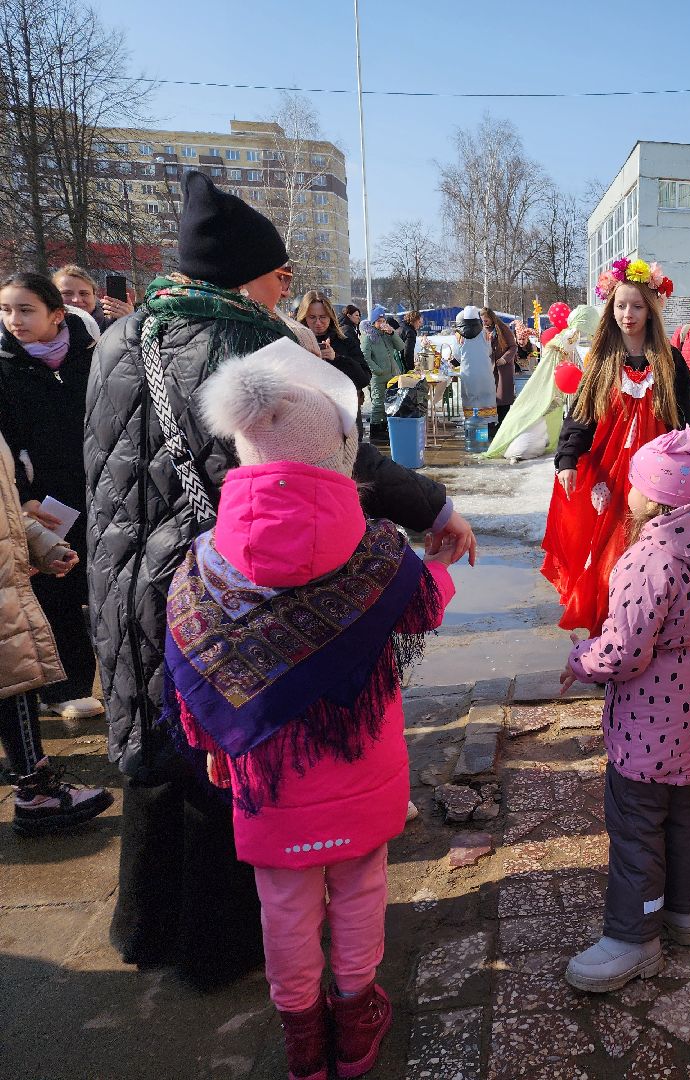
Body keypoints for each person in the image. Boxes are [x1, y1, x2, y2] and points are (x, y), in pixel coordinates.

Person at [85, 169, 477, 991]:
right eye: (278, 271)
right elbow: (338, 458)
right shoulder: (249, 346)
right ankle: (221, 948)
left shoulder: (122, 336)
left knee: (159, 749)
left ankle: (143, 927)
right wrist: (433, 504)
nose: (286, 285)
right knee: (229, 753)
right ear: (244, 276)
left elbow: (103, 465)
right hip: (228, 574)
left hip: (130, 576)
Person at [165, 342, 457, 1080]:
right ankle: (357, 1018)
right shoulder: (378, 549)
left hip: (265, 771)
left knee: (284, 906)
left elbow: (191, 657)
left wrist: (211, 738)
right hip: (362, 761)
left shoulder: (204, 560)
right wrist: (444, 569)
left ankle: (301, 1034)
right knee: (361, 889)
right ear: (336, 449)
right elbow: (422, 607)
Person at [560, 429, 690, 992]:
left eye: (633, 482)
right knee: (684, 813)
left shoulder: (649, 558)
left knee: (637, 823)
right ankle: (683, 914)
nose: (626, 490)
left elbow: (625, 651)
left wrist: (582, 658)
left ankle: (633, 938)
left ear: (652, 496)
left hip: (649, 717)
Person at [541, 256, 690, 636]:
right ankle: (612, 636)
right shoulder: (601, 362)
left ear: (650, 310)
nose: (628, 314)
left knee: (658, 553)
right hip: (609, 480)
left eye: (637, 306)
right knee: (612, 556)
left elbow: (689, 421)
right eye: (621, 305)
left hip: (657, 481)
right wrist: (567, 458)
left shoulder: (669, 361)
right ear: (611, 309)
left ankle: (653, 634)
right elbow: (580, 415)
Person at [0, 272, 103, 720]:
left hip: (99, 492)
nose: (14, 320)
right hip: (41, 505)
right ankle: (67, 688)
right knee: (54, 591)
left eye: (25, 310)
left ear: (56, 315)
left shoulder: (93, 356)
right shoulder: (4, 365)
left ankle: (115, 684)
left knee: (99, 590)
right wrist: (22, 496)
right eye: (6, 310)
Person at [0, 427, 112, 835]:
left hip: (7, 582)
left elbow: (6, 508)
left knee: (17, 681)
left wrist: (44, 545)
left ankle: (35, 787)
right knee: (14, 680)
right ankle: (35, 792)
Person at [484, 305, 602, 463]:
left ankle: (524, 446)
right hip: (552, 375)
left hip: (553, 375)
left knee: (543, 411)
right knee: (540, 410)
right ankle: (520, 448)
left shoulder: (565, 336)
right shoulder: (569, 335)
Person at [297, 290, 369, 396]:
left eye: (323, 317)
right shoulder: (296, 342)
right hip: (305, 407)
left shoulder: (345, 341)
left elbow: (364, 379)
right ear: (304, 317)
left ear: (330, 317)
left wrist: (336, 358)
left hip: (340, 408)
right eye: (312, 317)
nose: (318, 322)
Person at [453, 306, 499, 436]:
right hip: (485, 373)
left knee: (471, 401)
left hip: (468, 374)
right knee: (487, 401)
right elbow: (489, 351)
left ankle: (472, 432)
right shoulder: (485, 333)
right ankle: (489, 431)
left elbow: (457, 355)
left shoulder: (459, 336)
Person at [360, 306, 402, 445]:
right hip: (378, 376)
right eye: (379, 321)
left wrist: (392, 333)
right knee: (378, 403)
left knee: (389, 402)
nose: (382, 323)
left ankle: (383, 428)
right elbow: (365, 357)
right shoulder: (368, 337)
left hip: (391, 375)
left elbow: (401, 346)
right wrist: (377, 370)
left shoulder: (386, 335)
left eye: (384, 320)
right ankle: (375, 431)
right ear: (373, 322)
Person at [54, 264, 135, 333]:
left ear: (94, 296)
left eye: (84, 293)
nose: (77, 300)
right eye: (67, 293)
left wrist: (131, 324)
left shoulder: (113, 328)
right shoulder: (43, 330)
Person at [482, 307, 517, 428]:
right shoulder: (482, 330)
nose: (484, 323)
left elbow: (513, 346)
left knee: (503, 398)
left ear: (491, 318)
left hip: (503, 369)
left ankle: (503, 425)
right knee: (491, 398)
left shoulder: (503, 329)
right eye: (482, 321)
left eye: (486, 321)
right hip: (490, 368)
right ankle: (492, 426)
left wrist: (504, 358)